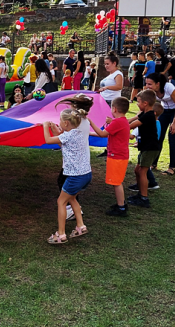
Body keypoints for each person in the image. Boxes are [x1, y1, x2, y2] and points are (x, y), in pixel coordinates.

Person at [43, 108, 91, 244]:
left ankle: (61, 234)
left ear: (65, 123)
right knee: (72, 199)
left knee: (61, 202)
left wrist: (46, 126)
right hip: (86, 174)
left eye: (59, 121)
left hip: (75, 176)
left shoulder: (68, 136)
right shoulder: (79, 133)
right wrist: (54, 128)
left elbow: (48, 140)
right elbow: (61, 141)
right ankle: (81, 226)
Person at [89, 96, 130, 217]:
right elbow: (108, 132)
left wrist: (91, 122)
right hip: (119, 155)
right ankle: (121, 203)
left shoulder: (117, 122)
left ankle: (121, 207)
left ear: (115, 109)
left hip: (117, 156)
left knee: (117, 182)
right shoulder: (121, 121)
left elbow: (102, 134)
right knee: (116, 181)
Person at [145, 73, 175, 176]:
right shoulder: (151, 92)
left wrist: (174, 122)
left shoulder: (168, 87)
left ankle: (172, 167)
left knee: (172, 137)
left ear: (158, 84)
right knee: (158, 136)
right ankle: (153, 163)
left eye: (150, 84)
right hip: (164, 111)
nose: (147, 86)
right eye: (146, 84)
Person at [126, 90, 160, 208]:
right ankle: (140, 192)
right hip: (145, 147)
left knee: (142, 171)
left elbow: (130, 126)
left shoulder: (148, 116)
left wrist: (116, 126)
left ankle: (144, 198)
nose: (137, 104)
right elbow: (129, 120)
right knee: (137, 170)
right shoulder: (143, 113)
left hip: (150, 148)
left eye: (138, 102)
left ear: (145, 103)